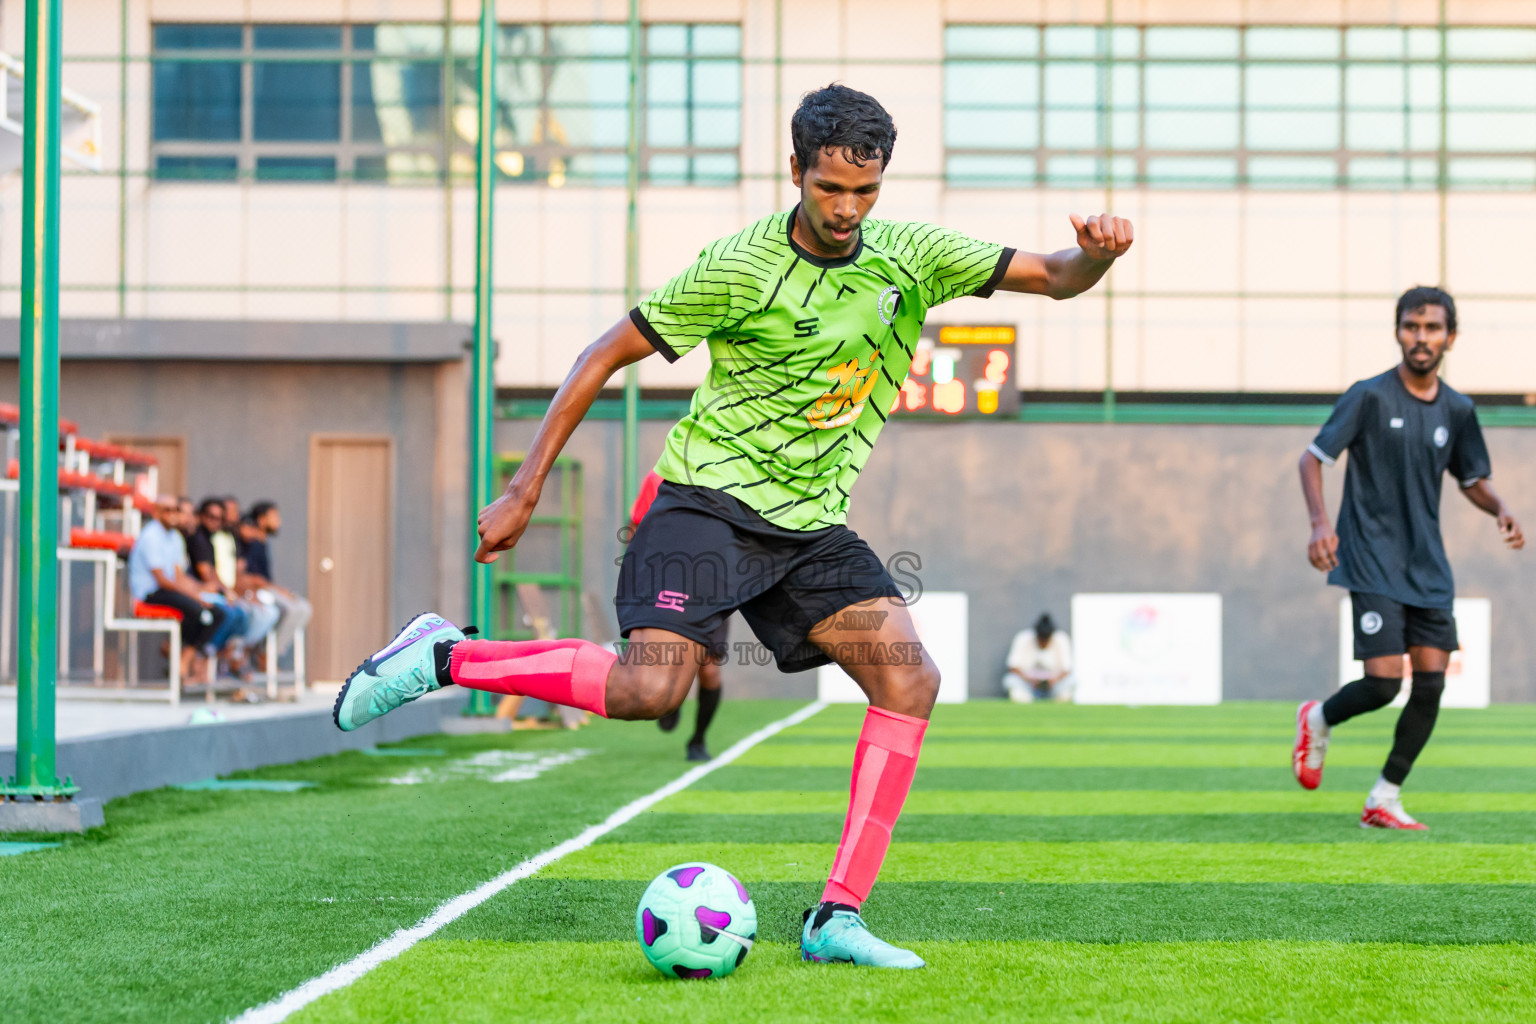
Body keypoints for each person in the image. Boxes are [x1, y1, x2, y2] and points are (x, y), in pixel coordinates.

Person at [331, 84, 1132, 968]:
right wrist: (525, 485)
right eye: (830, 187)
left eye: (864, 192)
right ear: (795, 171)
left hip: (811, 528)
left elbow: (1057, 278)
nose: (846, 208)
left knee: (910, 681)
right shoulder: (739, 267)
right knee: (649, 693)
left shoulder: (913, 256)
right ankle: (441, 655)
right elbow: (604, 353)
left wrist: (1094, 256)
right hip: (706, 503)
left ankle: (835, 919)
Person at [1292, 286, 1523, 830]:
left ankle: (1385, 796)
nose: (1422, 338)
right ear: (1398, 331)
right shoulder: (1368, 396)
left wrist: (1501, 509)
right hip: (1370, 557)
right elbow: (1312, 459)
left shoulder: (1458, 409)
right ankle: (1318, 718)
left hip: (1428, 565)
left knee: (1433, 682)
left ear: (1451, 337)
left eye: (1433, 328)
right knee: (1382, 683)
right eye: (1412, 326)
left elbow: (1472, 479)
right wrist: (1320, 525)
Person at [632, 468, 726, 762]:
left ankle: (698, 740)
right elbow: (636, 527)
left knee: (708, 667)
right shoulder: (658, 478)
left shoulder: (733, 477)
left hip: (714, 585)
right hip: (668, 581)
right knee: (669, 656)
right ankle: (671, 702)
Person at [127, 495, 226, 681]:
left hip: (168, 589)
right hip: (150, 593)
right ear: (157, 512)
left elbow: (178, 576)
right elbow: (162, 580)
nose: (172, 515)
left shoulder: (174, 538)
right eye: (168, 510)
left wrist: (200, 590)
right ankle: (179, 658)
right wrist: (195, 597)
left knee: (218, 611)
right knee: (198, 611)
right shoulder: (151, 536)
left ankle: (183, 657)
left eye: (176, 510)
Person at [239, 501, 312, 665]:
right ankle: (264, 655)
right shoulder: (252, 543)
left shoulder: (263, 542)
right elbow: (252, 578)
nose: (279, 521)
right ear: (261, 519)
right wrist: (277, 589)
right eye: (275, 517)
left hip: (267, 589)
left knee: (304, 608)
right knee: (289, 608)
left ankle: (272, 651)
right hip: (256, 591)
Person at [1001, 613, 1074, 703]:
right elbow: (1013, 667)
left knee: (1072, 681)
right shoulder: (1023, 638)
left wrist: (1053, 680)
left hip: (1053, 685)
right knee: (1010, 681)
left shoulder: (1061, 639)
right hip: (1028, 684)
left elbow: (1067, 669)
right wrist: (1029, 679)